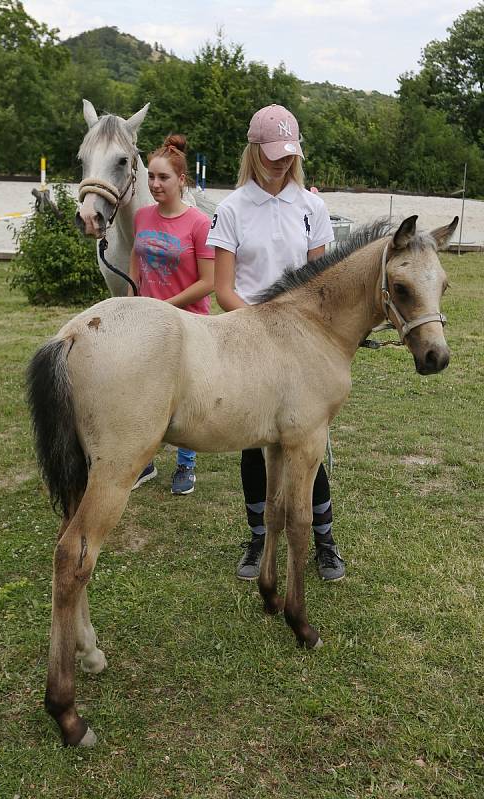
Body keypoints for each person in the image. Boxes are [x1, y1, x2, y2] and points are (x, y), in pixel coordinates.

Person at [206, 104, 345, 582]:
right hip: (252, 339)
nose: (281, 163)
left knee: (307, 444)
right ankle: (258, 537)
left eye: (289, 155)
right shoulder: (231, 209)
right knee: (253, 443)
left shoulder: (312, 207)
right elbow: (224, 288)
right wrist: (263, 326)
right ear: (253, 151)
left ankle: (324, 538)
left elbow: (322, 282)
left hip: (304, 345)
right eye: (272, 155)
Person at [130, 134, 214, 495]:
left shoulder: (199, 223)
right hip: (147, 321)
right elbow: (136, 259)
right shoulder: (141, 216)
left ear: (182, 180)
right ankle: (144, 462)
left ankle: (186, 465)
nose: (155, 184)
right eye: (150, 176)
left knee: (185, 397)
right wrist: (135, 298)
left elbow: (209, 282)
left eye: (163, 177)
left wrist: (167, 306)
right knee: (143, 392)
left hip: (188, 323)